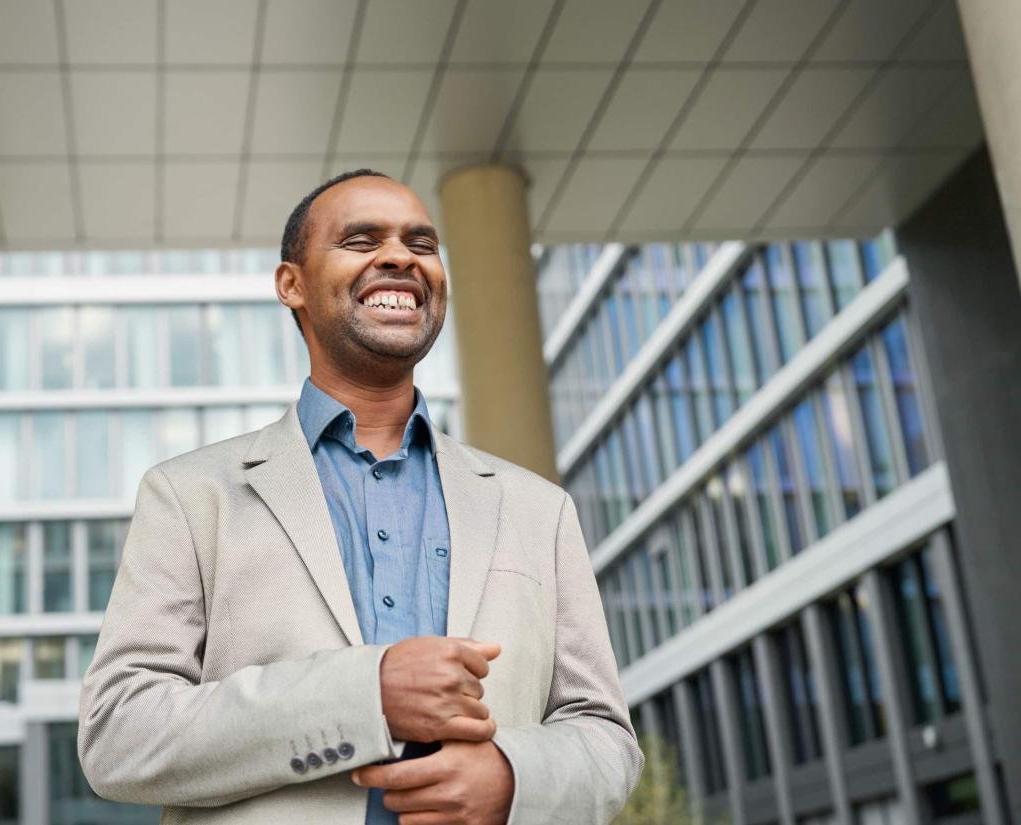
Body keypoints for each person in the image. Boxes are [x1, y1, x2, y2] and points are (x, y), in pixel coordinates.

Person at [78, 169, 643, 824]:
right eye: (362, 239)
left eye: (421, 244)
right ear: (292, 283)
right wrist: (364, 695)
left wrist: (513, 777)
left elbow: (605, 735)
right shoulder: (189, 494)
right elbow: (118, 732)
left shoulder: (540, 509)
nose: (401, 256)